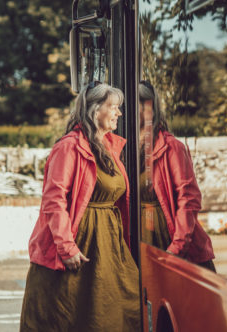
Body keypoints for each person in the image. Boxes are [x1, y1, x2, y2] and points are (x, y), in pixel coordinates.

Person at [20, 82, 140, 331]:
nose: (119, 113)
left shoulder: (110, 147)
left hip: (107, 243)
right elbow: (54, 200)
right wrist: (66, 247)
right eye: (114, 107)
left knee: (114, 311)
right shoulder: (68, 147)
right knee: (72, 315)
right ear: (95, 110)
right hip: (79, 243)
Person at [138, 80, 216, 271]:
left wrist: (177, 248)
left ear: (150, 109)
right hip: (140, 240)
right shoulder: (121, 148)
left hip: (170, 240)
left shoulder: (172, 148)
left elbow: (188, 200)